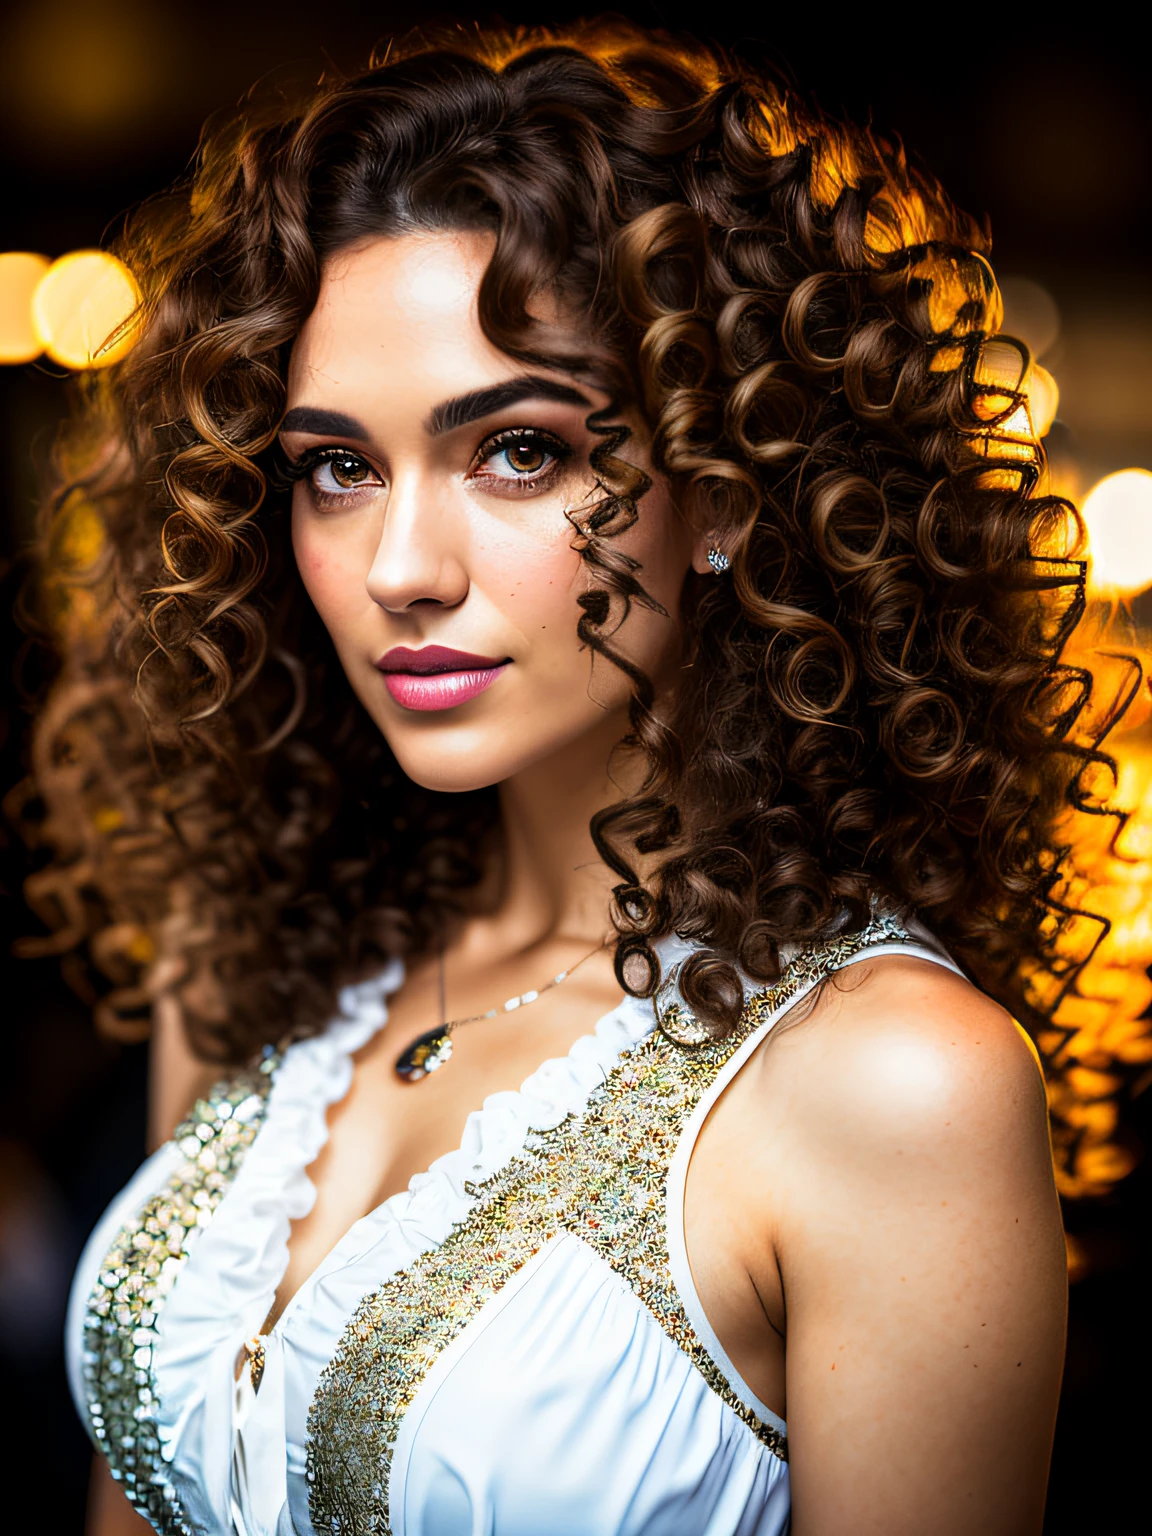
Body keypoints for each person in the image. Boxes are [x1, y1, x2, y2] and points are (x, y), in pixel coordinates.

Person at [35, 21, 1081, 1536]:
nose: (401, 568)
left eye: (517, 452)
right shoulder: (257, 964)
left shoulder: (890, 1082)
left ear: (721, 490)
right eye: (338, 467)